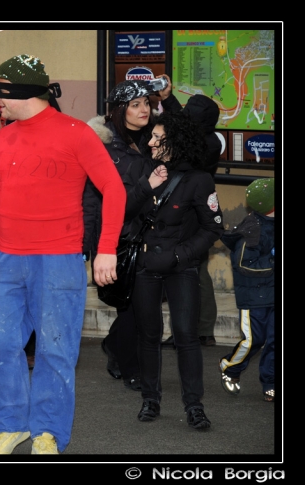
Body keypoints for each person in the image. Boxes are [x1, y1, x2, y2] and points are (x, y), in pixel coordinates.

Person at [0, 54, 125, 454]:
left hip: (59, 259)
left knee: (55, 348)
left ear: (19, 92)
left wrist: (106, 250)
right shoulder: (3, 138)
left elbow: (114, 190)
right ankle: (11, 425)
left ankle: (47, 430)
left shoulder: (77, 133)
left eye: (1, 93)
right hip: (7, 258)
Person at [123, 110, 224, 430]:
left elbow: (212, 229)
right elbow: (122, 212)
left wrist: (180, 256)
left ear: (174, 142)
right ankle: (150, 398)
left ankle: (194, 405)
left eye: (157, 137)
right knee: (148, 334)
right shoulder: (145, 168)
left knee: (186, 335)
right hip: (145, 265)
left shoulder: (199, 179)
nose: (149, 142)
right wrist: (145, 186)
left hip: (181, 267)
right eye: (151, 136)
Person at [85, 78, 169, 391]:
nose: (144, 109)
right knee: (132, 306)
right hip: (117, 236)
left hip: (148, 233)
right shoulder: (106, 148)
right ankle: (128, 363)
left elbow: (181, 130)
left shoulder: (148, 137)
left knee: (138, 305)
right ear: (121, 110)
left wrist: (167, 101)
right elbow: (112, 201)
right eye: (136, 105)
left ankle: (118, 350)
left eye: (147, 103)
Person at [160, 92, 222, 347]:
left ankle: (193, 329)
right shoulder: (211, 140)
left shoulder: (201, 145)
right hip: (195, 211)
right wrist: (169, 98)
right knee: (197, 271)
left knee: (189, 272)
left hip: (190, 214)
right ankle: (202, 328)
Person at [219, 178, 275, 402]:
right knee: (253, 341)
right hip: (254, 298)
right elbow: (243, 265)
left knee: (274, 340)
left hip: (273, 294)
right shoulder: (251, 231)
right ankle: (229, 367)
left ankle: (270, 382)